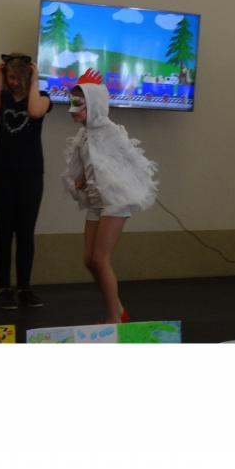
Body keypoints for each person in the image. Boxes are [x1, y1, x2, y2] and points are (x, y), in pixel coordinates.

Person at [62, 68, 158, 323]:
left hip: (115, 201)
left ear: (94, 104)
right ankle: (118, 309)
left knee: (99, 258)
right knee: (89, 260)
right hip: (97, 201)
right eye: (72, 102)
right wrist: (82, 179)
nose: (73, 109)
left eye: (79, 104)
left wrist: (129, 186)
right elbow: (94, 162)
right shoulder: (85, 135)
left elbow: (128, 160)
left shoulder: (109, 131)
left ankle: (114, 317)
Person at [0, 53, 51, 309]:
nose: (13, 82)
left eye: (17, 77)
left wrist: (34, 81)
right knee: (4, 232)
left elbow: (34, 112)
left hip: (30, 173)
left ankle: (24, 287)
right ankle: (4, 288)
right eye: (9, 77)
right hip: (2, 173)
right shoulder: (2, 97)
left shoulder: (43, 97)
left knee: (25, 233)